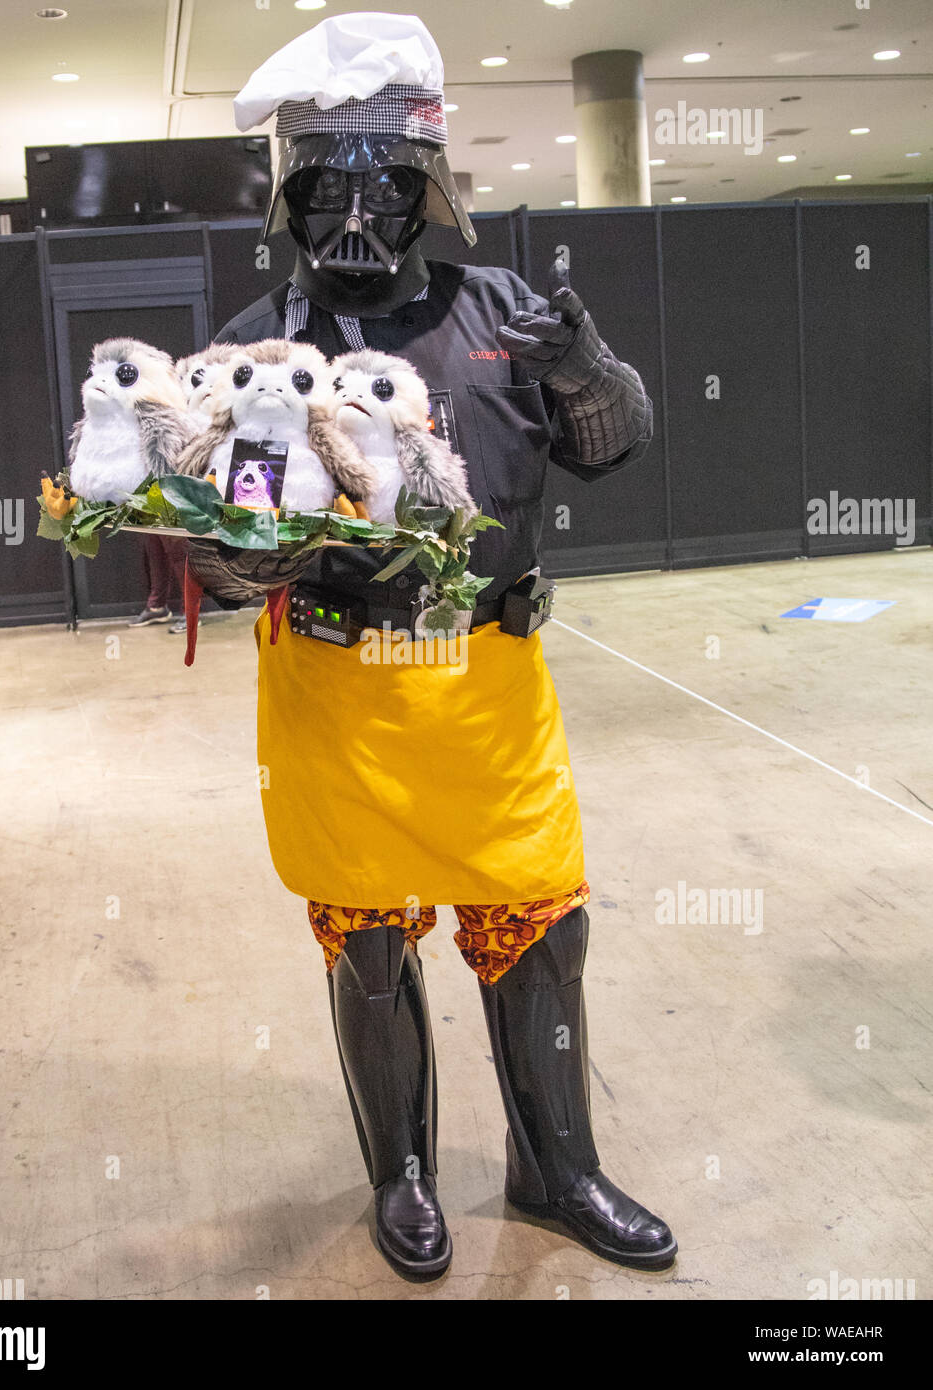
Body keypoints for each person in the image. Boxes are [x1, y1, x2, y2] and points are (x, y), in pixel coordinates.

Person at [187, 12, 677, 1278]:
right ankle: (400, 1176)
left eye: (382, 184)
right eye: (329, 185)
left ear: (427, 189)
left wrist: (585, 364)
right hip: (337, 693)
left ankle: (556, 1167)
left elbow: (612, 445)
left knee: (542, 928)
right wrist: (243, 544)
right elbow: (231, 550)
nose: (355, 213)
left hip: (488, 685)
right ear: (292, 194)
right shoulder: (260, 348)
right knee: (367, 939)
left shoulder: (505, 306)